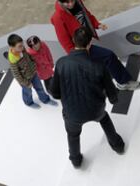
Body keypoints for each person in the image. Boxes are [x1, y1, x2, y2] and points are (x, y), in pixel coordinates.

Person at [51, 27, 125, 168]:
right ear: (90, 42)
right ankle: (118, 146)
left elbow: (54, 92)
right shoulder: (99, 65)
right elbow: (111, 91)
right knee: (105, 119)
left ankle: (76, 160)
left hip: (72, 113)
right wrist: (113, 99)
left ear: (73, 41)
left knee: (73, 135)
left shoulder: (61, 63)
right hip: (96, 109)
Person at [51, 0, 140, 91]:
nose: (71, 4)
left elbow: (87, 15)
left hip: (87, 40)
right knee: (109, 56)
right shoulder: (58, 17)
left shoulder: (78, 1)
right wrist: (78, 54)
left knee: (102, 61)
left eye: (72, 0)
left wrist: (97, 24)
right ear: (61, 2)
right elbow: (64, 40)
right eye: (67, 2)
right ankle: (123, 82)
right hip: (81, 47)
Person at [7, 34, 57, 108]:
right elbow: (16, 75)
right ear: (12, 47)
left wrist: (33, 63)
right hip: (25, 79)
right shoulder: (13, 60)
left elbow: (28, 57)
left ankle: (45, 99)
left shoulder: (22, 49)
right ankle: (29, 102)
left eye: (22, 44)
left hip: (33, 73)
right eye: (19, 46)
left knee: (39, 87)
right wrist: (26, 83)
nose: (23, 47)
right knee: (27, 92)